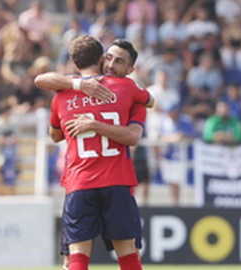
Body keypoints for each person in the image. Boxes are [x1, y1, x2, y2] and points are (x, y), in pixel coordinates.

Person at [36, 37, 153, 269]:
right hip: (117, 182)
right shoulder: (127, 89)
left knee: (76, 256)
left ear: (73, 62)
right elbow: (149, 101)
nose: (110, 65)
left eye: (117, 61)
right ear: (101, 58)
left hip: (79, 183)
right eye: (109, 58)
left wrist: (87, 117)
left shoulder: (61, 95)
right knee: (129, 256)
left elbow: (55, 135)